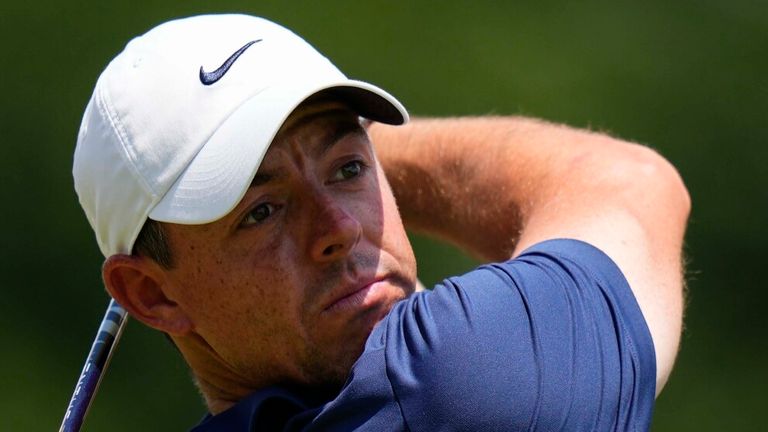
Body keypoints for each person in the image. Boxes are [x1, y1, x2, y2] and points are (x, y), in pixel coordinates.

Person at [72, 13, 690, 431]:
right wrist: (365, 149)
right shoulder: (452, 380)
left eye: (347, 170)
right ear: (150, 292)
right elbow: (628, 181)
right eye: (261, 211)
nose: (338, 227)